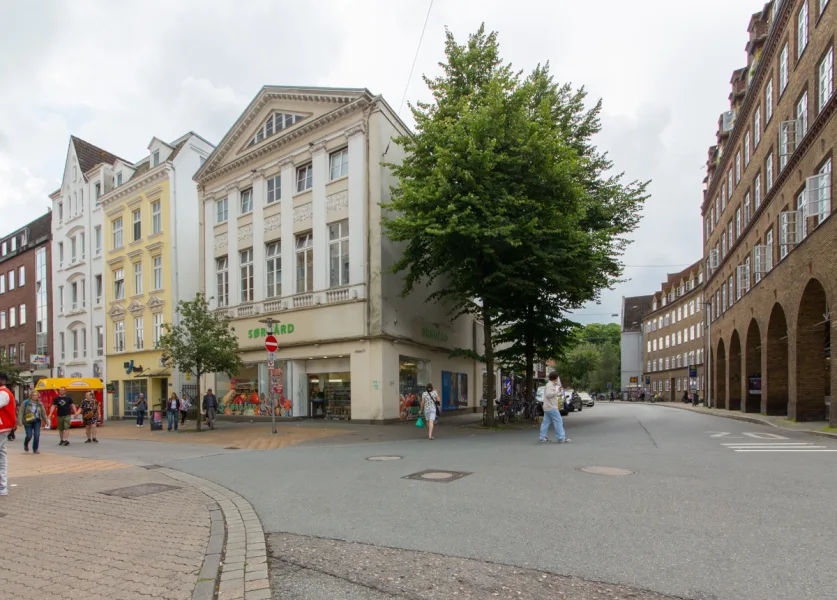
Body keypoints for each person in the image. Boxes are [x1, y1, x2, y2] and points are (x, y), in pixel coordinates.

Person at [539, 371, 570, 444]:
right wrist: (557, 391)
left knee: (545, 422)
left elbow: (551, 395)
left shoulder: (550, 385)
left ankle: (542, 437)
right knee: (558, 421)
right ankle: (561, 437)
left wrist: (558, 391)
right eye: (557, 378)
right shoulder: (550, 385)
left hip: (547, 407)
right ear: (556, 378)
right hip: (551, 407)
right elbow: (548, 394)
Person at [0, 372, 16, 496]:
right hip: (4, 427)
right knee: (2, 455)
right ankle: (2, 486)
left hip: (2, 427)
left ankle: (2, 486)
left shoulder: (3, 393)